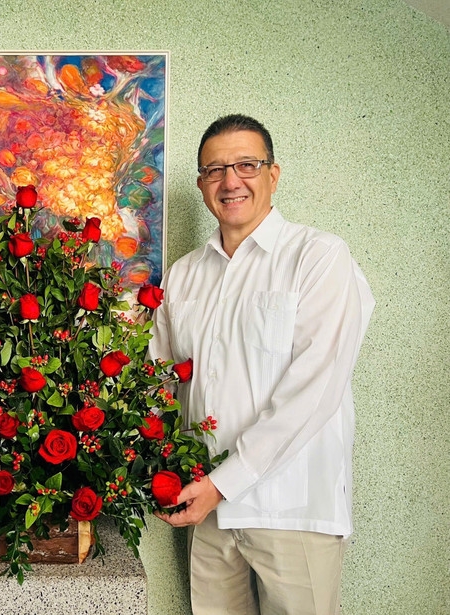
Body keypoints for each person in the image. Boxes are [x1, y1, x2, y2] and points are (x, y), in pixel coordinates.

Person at [149, 114, 374, 614]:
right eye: (214, 170)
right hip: (206, 513)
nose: (231, 181)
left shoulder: (318, 257)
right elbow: (160, 382)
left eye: (246, 164)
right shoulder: (183, 276)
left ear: (273, 174)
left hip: (292, 509)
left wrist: (221, 484)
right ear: (203, 183)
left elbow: (313, 391)